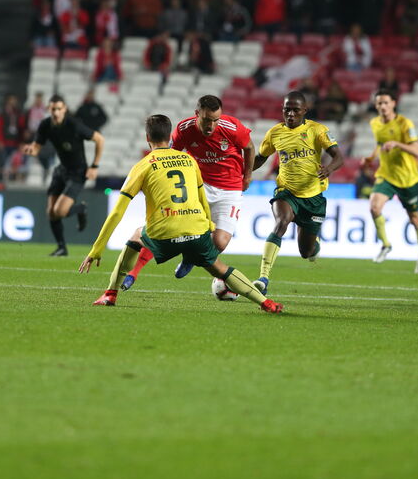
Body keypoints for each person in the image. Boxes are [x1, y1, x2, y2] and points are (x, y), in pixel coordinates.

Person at [78, 114, 282, 314]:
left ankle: (110, 294)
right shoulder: (189, 160)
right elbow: (201, 198)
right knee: (221, 269)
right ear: (170, 137)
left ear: (147, 138)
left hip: (165, 234)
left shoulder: (142, 166)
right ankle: (266, 303)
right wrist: (209, 228)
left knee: (136, 236)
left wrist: (96, 250)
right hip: (197, 232)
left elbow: (117, 212)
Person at [122, 95, 255, 288]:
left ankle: (189, 259)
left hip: (230, 189)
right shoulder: (184, 130)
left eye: (215, 120)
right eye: (207, 120)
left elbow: (250, 147)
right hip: (198, 186)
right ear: (196, 114)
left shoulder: (232, 128)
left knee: (219, 242)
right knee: (166, 229)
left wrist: (247, 176)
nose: (211, 126)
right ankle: (133, 273)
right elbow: (168, 156)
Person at [250, 91, 344, 294]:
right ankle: (263, 278)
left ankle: (314, 245)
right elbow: (260, 157)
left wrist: (329, 168)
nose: (290, 114)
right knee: (281, 222)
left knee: (306, 251)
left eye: (295, 110)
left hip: (313, 198)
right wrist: (241, 171)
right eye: (287, 109)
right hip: (286, 192)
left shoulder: (318, 130)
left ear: (304, 110)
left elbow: (338, 157)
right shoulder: (275, 133)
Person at [22, 95, 104, 257]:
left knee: (59, 211)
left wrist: (94, 166)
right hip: (61, 170)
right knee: (50, 212)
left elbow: (99, 139)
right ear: (48, 109)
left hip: (78, 172)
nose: (56, 112)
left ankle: (81, 209)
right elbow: (37, 147)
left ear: (64, 109)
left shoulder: (73, 125)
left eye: (59, 109)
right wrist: (31, 150)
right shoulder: (45, 125)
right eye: (53, 109)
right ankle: (62, 248)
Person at [362, 90, 418, 273]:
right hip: (386, 175)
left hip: (407, 178)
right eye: (379, 103)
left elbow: (417, 150)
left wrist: (397, 144)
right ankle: (385, 245)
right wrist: (370, 158)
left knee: (415, 218)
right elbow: (379, 144)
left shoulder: (404, 124)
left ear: (393, 103)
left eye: (385, 102)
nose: (382, 106)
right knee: (374, 207)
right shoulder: (374, 123)